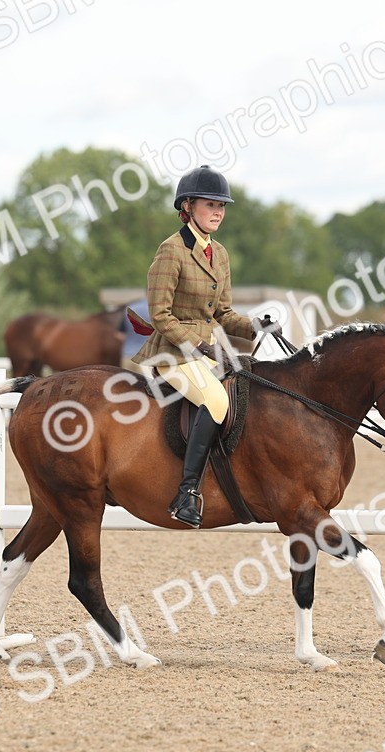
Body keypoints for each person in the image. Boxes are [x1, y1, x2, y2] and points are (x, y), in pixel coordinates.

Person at [131, 165, 258, 528]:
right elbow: (160, 315)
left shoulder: (219, 253)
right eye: (210, 204)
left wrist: (254, 325)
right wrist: (199, 344)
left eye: (222, 205)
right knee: (217, 400)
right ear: (187, 206)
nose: (218, 211)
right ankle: (187, 493)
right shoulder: (171, 251)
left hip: (210, 349)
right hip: (172, 352)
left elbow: (223, 312)